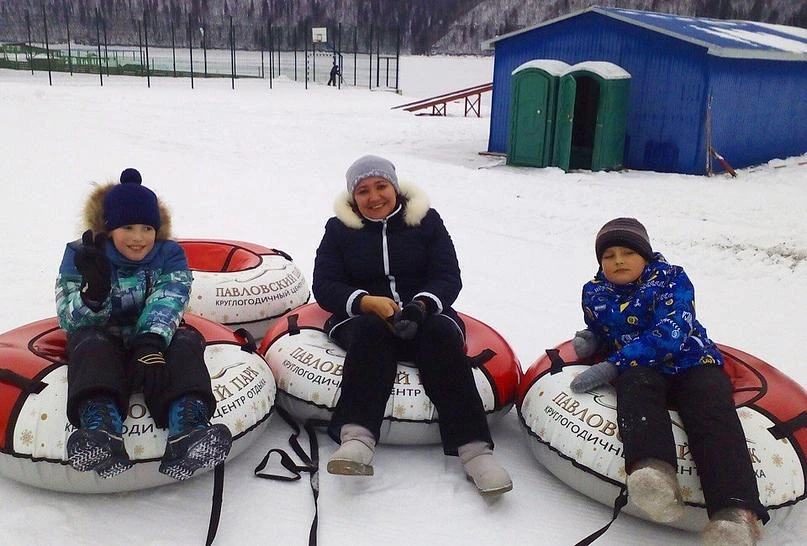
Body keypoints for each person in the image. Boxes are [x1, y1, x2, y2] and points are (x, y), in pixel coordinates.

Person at [312, 154, 512, 496]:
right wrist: (365, 302)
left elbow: (448, 276)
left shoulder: (426, 222)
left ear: (395, 187)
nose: (374, 197)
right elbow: (325, 283)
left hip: (423, 314)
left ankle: (476, 452)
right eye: (363, 191)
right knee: (371, 334)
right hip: (366, 317)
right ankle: (357, 439)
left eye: (381, 186)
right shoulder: (339, 230)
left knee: (441, 336)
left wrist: (421, 306)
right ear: (352, 197)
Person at [569, 218, 768, 545]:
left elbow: (671, 332)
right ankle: (654, 475)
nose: (618, 260)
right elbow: (602, 328)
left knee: (711, 411)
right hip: (640, 368)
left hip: (692, 361)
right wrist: (592, 339)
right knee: (635, 395)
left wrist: (611, 365)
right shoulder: (594, 292)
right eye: (609, 255)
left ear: (645, 256)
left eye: (628, 252)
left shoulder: (671, 280)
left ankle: (734, 513)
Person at [56, 168, 232, 480]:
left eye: (147, 228)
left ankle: (188, 430)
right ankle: (101, 431)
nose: (139, 238)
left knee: (186, 342)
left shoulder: (170, 254)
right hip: (101, 338)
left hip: (153, 340)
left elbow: (171, 297)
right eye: (128, 227)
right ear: (109, 228)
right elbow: (68, 319)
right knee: (90, 345)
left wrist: (149, 342)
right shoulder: (82, 254)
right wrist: (94, 294)